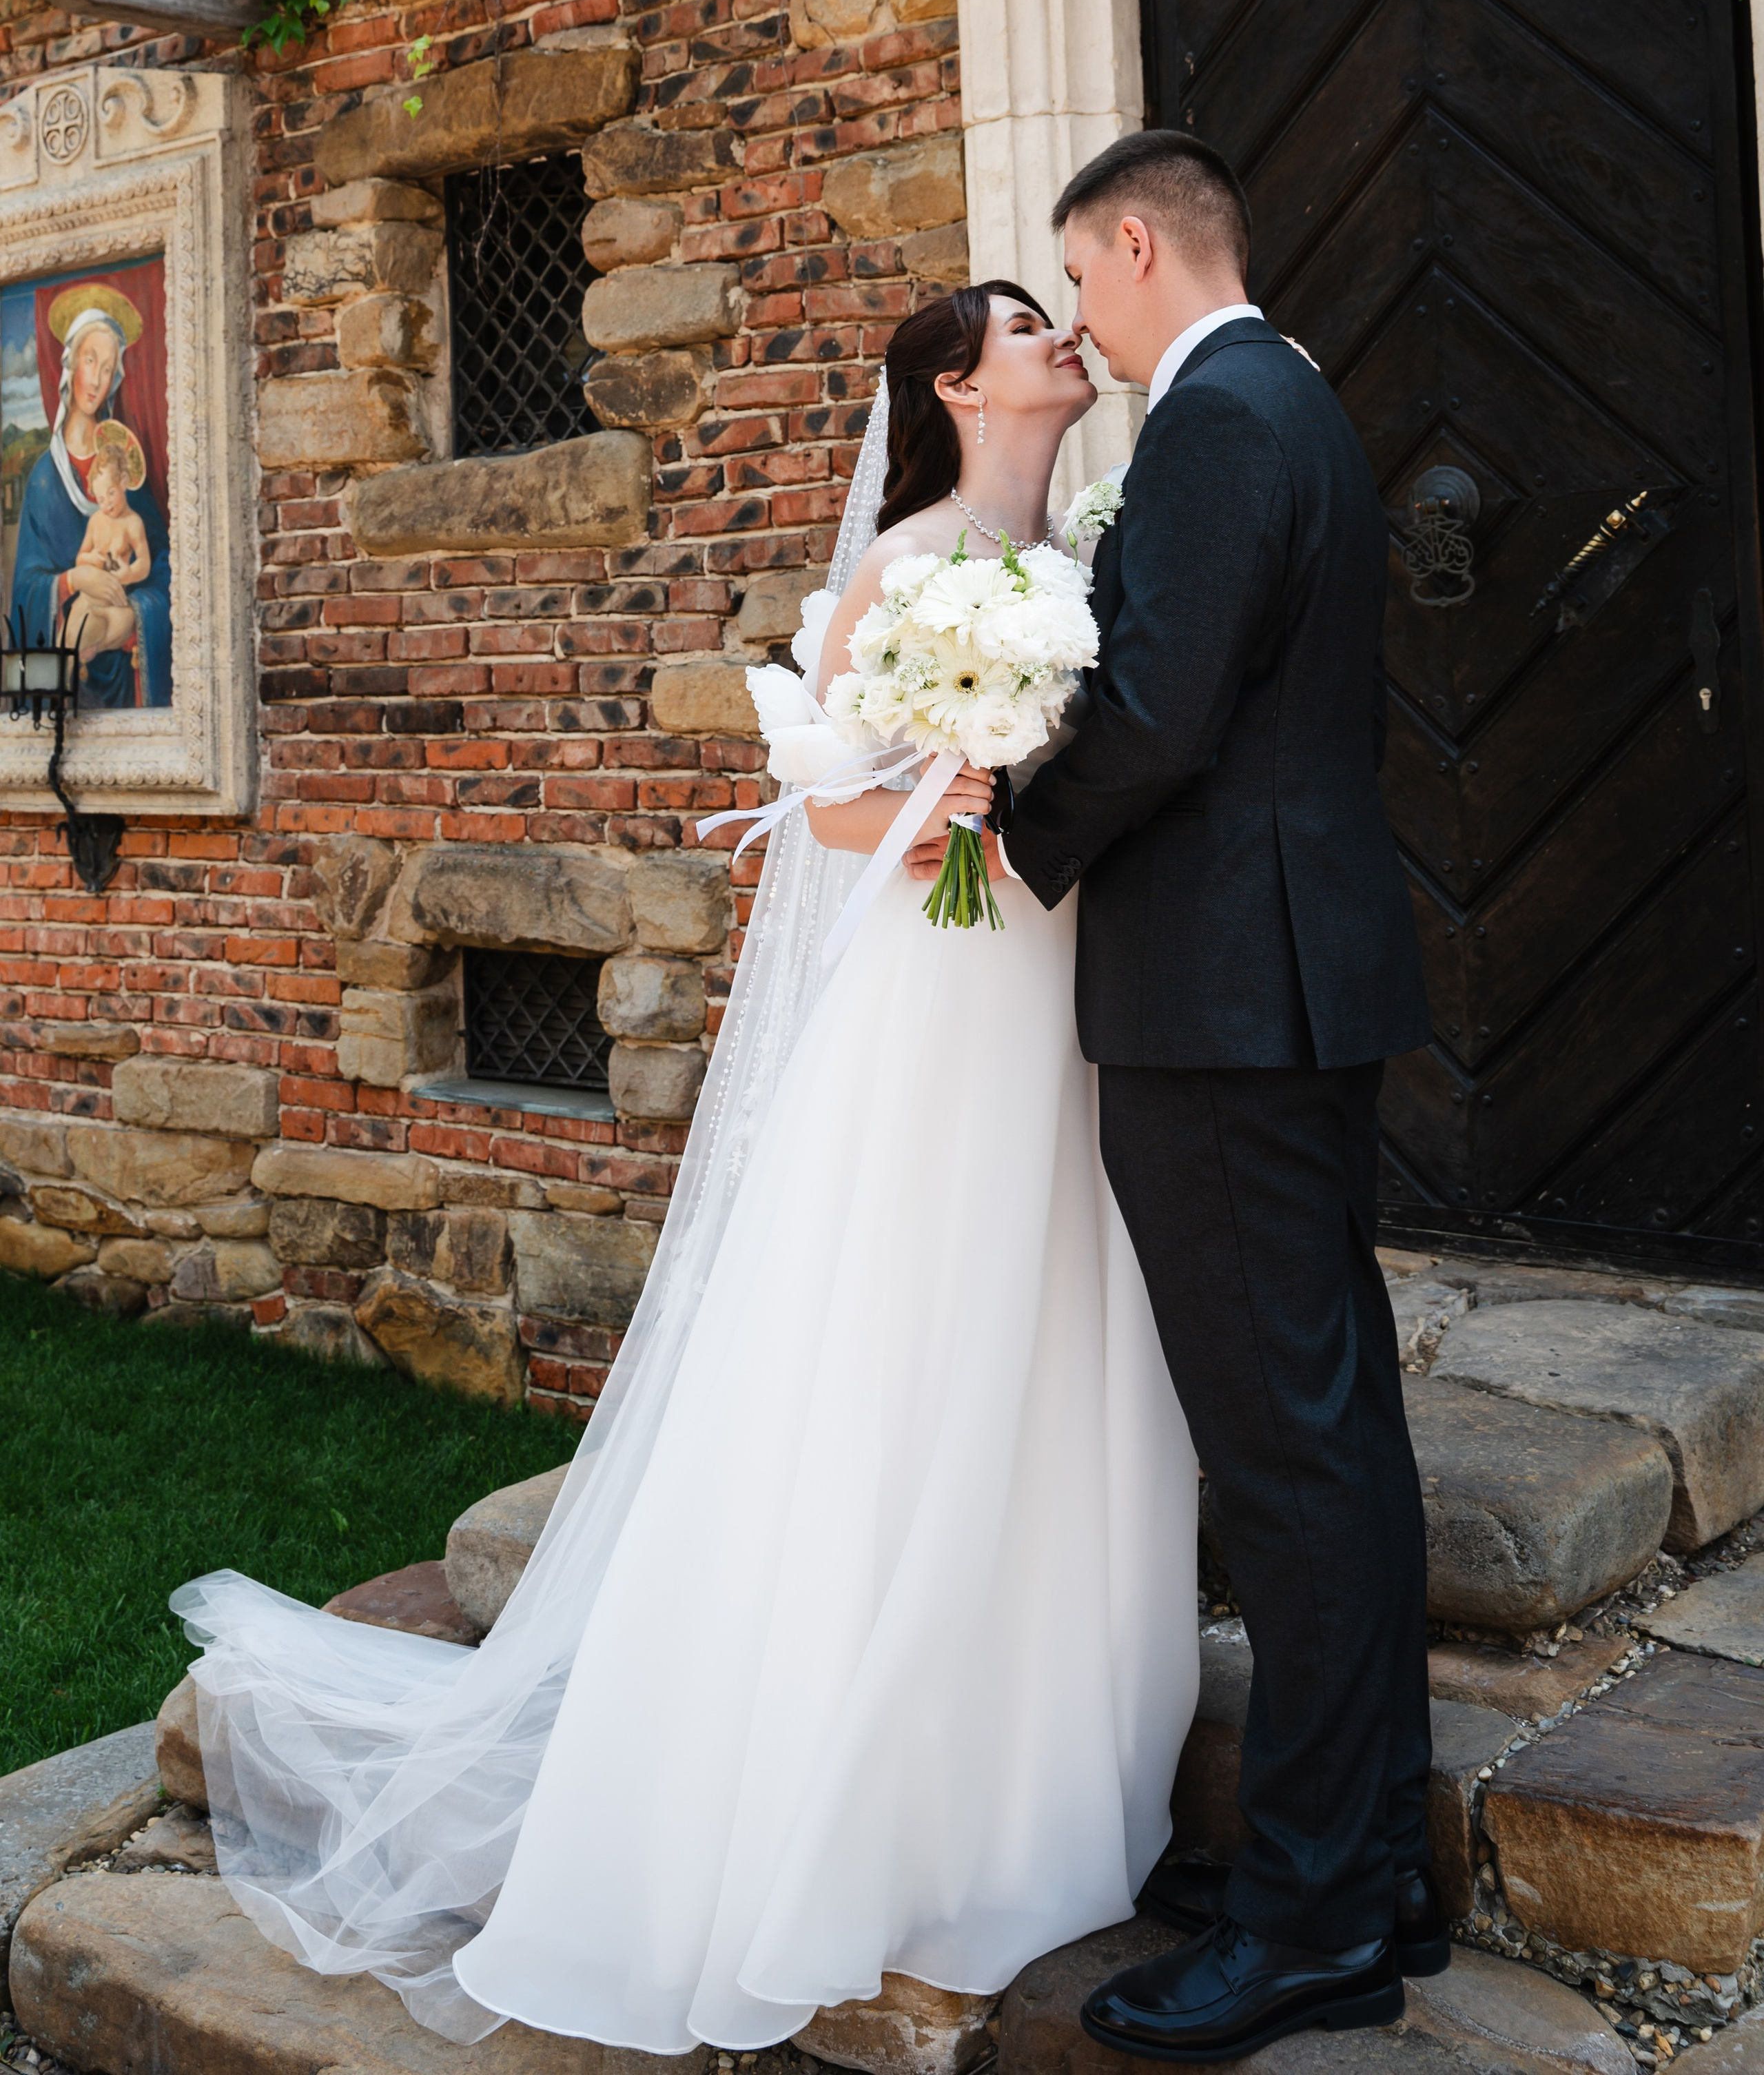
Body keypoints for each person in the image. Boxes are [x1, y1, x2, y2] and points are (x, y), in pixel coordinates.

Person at [170, 279, 1200, 2052]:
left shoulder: (1097, 549)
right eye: (1027, 323)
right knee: (912, 1337)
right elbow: (827, 809)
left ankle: (1040, 1759)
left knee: (1054, 1333)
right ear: (954, 383)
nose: (1063, 339)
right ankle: (845, 1789)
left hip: (1059, 986)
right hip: (938, 995)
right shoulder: (910, 559)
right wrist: (949, 794)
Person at [996, 130, 1438, 2064]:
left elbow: (1159, 709)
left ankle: (1321, 1915)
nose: (1079, 317)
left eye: (1081, 281)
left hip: (1224, 1005)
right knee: (1331, 1433)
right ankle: (1368, 1854)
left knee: (1289, 1455)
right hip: (1280, 985)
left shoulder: (1221, 418)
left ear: (1137, 243)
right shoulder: (1297, 401)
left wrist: (1012, 834)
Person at [11, 287, 172, 708]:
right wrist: (73, 579)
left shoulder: (126, 468)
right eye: (89, 361)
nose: (97, 379)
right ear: (70, 365)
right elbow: (26, 587)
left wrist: (135, 611)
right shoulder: (45, 479)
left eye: (108, 367)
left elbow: (164, 567)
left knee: (93, 627)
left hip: (125, 668)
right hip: (74, 679)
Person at [65, 431, 152, 668]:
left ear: (124, 482)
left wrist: (128, 573)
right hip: (90, 601)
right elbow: (80, 557)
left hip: (115, 604)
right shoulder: (96, 521)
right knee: (73, 636)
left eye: (111, 494)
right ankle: (77, 659)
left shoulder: (133, 523)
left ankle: (93, 650)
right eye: (101, 499)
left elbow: (144, 563)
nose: (107, 504)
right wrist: (90, 558)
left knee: (128, 620)